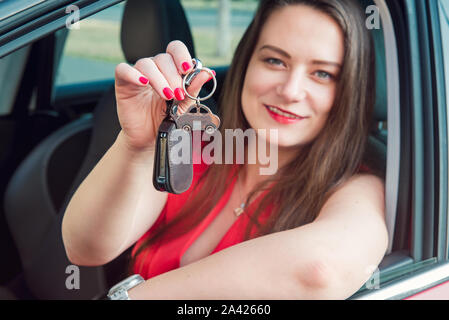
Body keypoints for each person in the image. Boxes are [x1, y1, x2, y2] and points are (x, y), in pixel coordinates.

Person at [61, 0, 388, 299]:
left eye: (322, 74)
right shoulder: (197, 148)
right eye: (275, 60)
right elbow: (84, 249)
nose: (290, 91)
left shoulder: (356, 187)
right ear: (246, 63)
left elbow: (320, 270)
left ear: (348, 90)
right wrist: (137, 146)